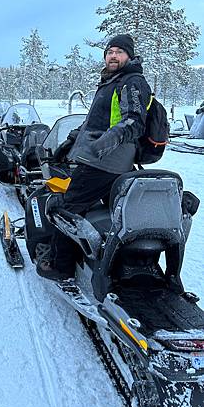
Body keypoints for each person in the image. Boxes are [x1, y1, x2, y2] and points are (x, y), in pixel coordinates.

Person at [36, 34, 152, 280]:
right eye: (110, 51)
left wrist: (100, 145)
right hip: (104, 159)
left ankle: (60, 266)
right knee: (105, 211)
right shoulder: (112, 82)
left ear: (129, 56)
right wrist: (72, 140)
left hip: (106, 162)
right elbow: (94, 122)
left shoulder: (131, 82)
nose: (113, 55)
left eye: (119, 52)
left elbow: (134, 121)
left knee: (66, 207)